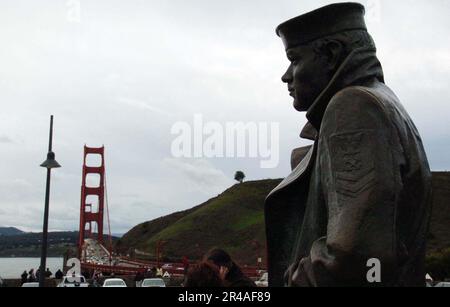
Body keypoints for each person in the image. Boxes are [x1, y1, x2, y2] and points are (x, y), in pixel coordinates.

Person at [265, 2, 432, 287]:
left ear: (331, 54)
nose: (286, 75)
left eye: (294, 59)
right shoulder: (384, 102)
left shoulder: (354, 107)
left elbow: (358, 259)